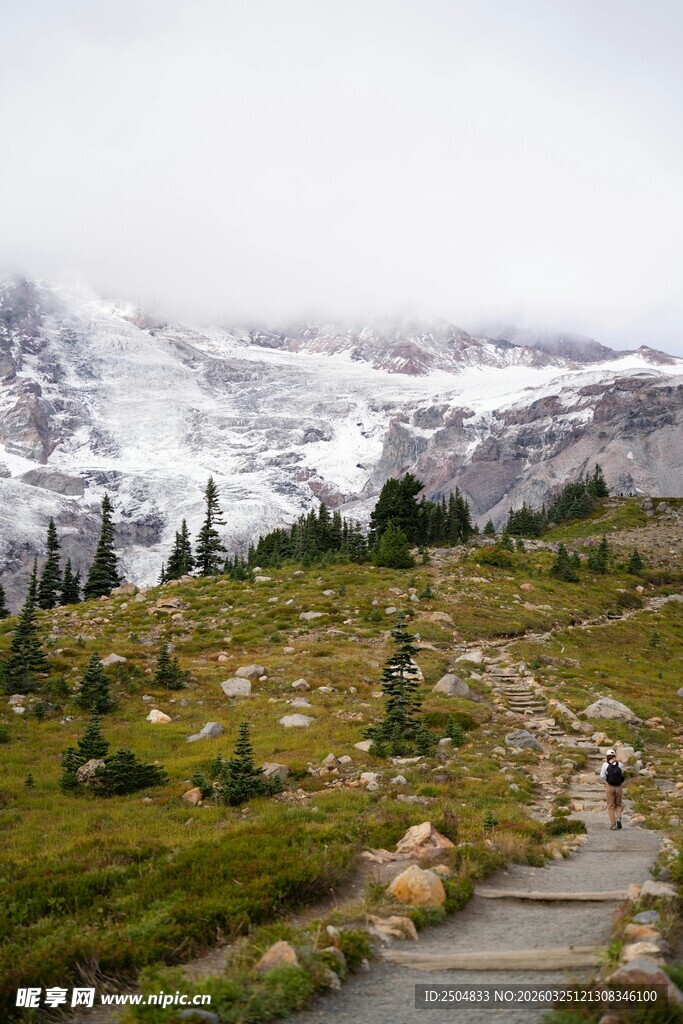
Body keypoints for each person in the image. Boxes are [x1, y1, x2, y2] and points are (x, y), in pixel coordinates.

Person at [599, 749, 625, 830]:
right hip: (619, 786)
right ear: (614, 756)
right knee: (619, 804)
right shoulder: (619, 764)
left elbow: (602, 776)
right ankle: (619, 818)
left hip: (609, 786)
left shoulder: (605, 764)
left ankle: (613, 825)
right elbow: (622, 772)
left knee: (610, 806)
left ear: (607, 756)